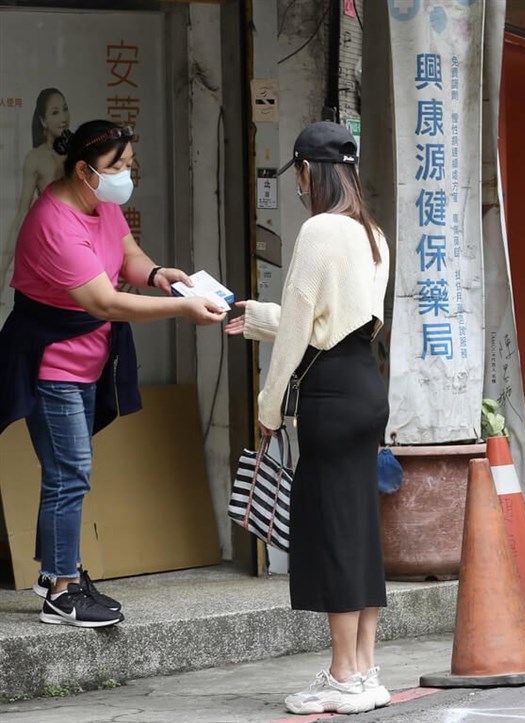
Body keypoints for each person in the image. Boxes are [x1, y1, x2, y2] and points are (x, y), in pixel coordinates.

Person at [0, 120, 225, 628]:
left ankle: (55, 572)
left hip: (88, 359)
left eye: (129, 166)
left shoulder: (100, 204)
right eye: (116, 168)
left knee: (66, 472)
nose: (126, 176)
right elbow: (102, 301)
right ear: (84, 170)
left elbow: (127, 256)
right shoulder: (53, 221)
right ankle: (62, 592)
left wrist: (158, 275)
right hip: (50, 362)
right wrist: (180, 311)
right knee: (69, 472)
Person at [225, 122, 391, 713]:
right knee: (360, 530)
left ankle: (343, 674)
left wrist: (269, 408)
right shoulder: (371, 233)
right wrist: (255, 315)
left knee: (332, 533)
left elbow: (301, 326)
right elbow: (333, 319)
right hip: (364, 387)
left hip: (327, 399)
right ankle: (365, 670)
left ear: (306, 171)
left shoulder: (318, 230)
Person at [2, 89, 71, 304]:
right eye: (55, 112)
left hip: (81, 242)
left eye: (65, 110)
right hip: (51, 246)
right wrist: (2, 270)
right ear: (42, 120)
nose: (63, 118)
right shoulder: (35, 158)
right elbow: (22, 215)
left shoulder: (80, 152)